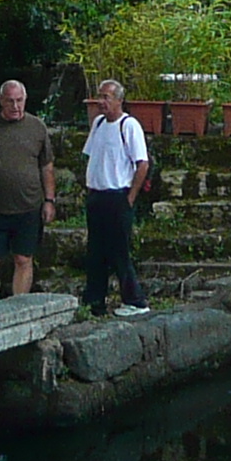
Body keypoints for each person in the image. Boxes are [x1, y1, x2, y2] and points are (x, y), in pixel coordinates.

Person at [0, 78, 57, 304]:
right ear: (1, 101)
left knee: (23, 258)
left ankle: (19, 309)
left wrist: (49, 200)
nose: (15, 106)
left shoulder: (37, 127)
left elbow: (47, 166)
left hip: (29, 205)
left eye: (19, 101)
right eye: (10, 101)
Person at [78, 79, 155, 319]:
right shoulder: (99, 123)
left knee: (119, 251)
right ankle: (94, 301)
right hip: (97, 195)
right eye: (100, 97)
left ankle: (135, 299)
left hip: (117, 196)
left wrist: (130, 197)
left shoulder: (129, 126)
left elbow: (142, 163)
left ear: (119, 100)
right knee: (95, 252)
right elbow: (91, 155)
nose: (101, 102)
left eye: (106, 98)